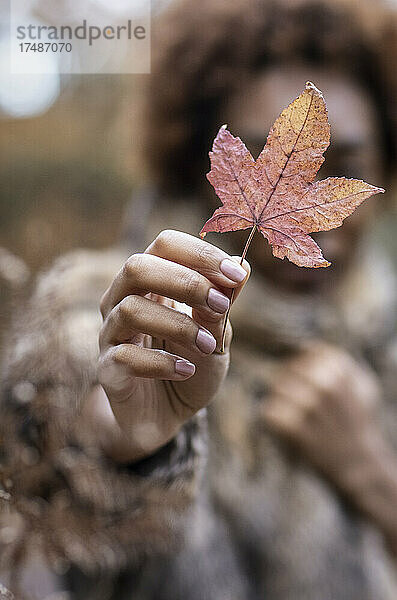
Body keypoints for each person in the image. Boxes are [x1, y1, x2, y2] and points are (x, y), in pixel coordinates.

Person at [1, 0, 397, 598]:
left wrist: (374, 475)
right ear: (196, 168)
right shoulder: (106, 325)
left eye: (348, 166)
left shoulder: (387, 347)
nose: (318, 218)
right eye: (270, 157)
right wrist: (130, 455)